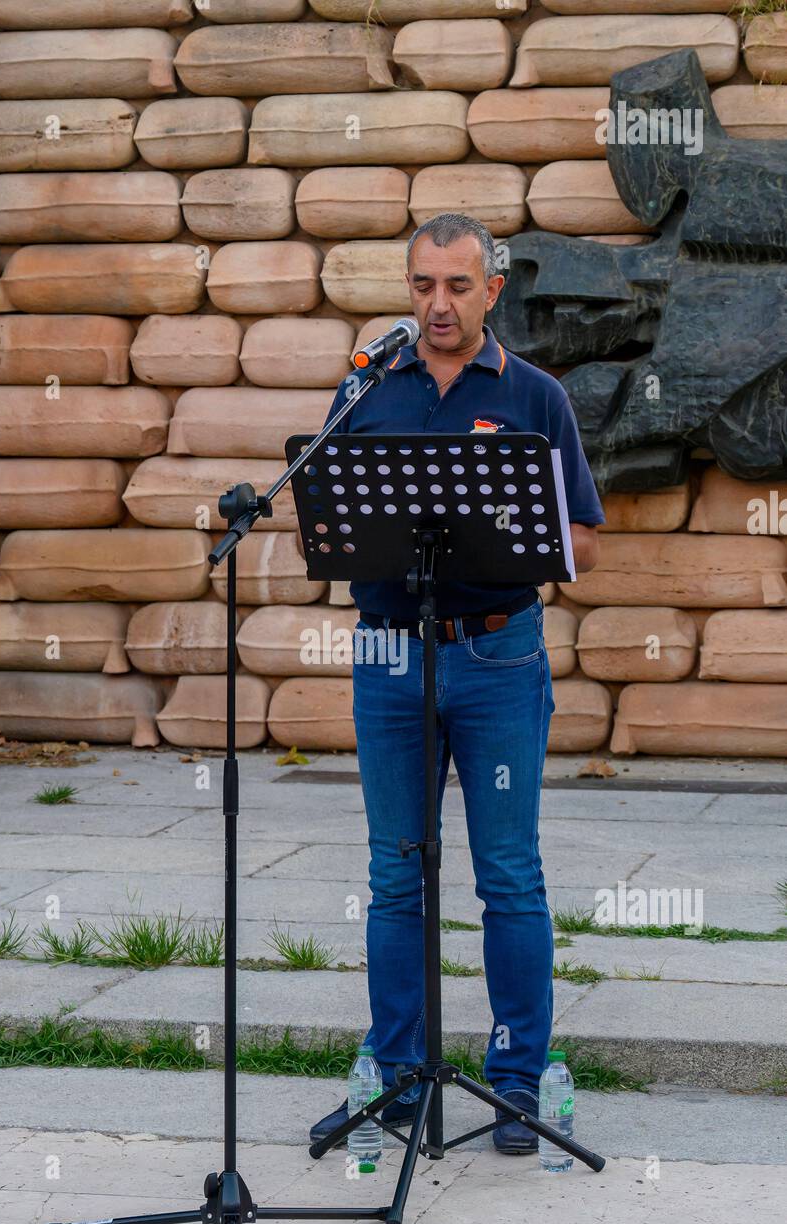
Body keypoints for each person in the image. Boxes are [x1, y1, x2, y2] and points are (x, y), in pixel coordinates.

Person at [309, 212, 605, 1154]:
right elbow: (321, 521)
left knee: (508, 876)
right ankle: (393, 1073)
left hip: (496, 658)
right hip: (390, 655)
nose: (439, 304)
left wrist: (518, 532)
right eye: (423, 286)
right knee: (395, 872)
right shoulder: (368, 391)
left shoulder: (535, 396)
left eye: (458, 287)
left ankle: (519, 1079)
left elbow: (586, 545)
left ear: (491, 291)